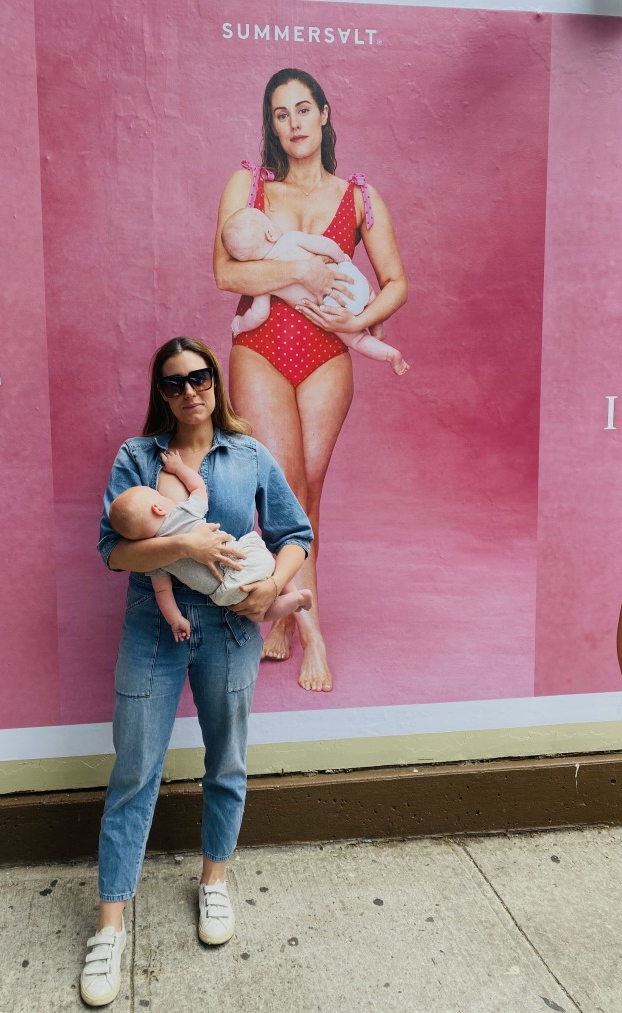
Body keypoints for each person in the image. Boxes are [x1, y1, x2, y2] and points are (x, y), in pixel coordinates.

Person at [83, 336, 312, 1006]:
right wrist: (179, 543)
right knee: (134, 769)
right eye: (175, 382)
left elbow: (296, 533)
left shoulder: (248, 455)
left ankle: (214, 881)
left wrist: (275, 590)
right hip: (154, 626)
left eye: (200, 376)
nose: (189, 391)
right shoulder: (138, 457)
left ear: (216, 380)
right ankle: (110, 924)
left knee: (228, 760)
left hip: (232, 627)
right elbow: (112, 553)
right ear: (161, 393)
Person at [214, 68, 408, 693]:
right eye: (280, 114)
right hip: (261, 348)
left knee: (309, 489)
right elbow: (225, 274)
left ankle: (287, 613)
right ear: (271, 125)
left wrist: (360, 316)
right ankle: (314, 639)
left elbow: (397, 281)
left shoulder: (359, 196)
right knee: (286, 487)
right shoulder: (249, 185)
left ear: (324, 114)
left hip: (327, 353)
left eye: (303, 109)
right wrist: (299, 268)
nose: (294, 123)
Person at [108, 447, 312, 641]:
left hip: (230, 592)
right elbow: (198, 488)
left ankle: (297, 600)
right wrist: (179, 468)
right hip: (249, 560)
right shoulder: (183, 514)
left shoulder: (156, 558)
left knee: (257, 614)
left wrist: (176, 620)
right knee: (271, 565)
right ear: (158, 508)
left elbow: (163, 593)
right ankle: (289, 589)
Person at [223, 206, 409, 375]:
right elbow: (326, 245)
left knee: (357, 340)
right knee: (368, 295)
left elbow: (259, 314)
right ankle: (377, 327)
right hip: (348, 278)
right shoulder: (291, 239)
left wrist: (240, 324)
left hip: (332, 308)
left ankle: (390, 355)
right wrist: (342, 261)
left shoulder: (265, 279)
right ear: (270, 233)